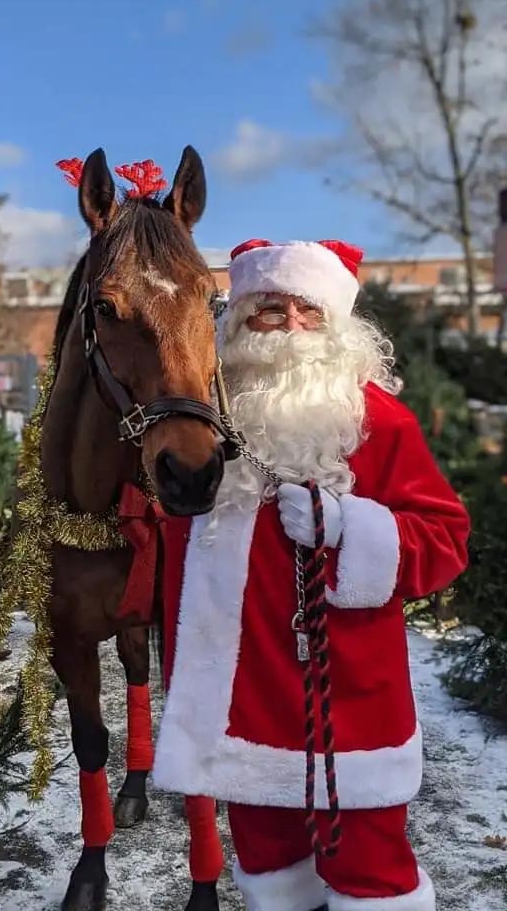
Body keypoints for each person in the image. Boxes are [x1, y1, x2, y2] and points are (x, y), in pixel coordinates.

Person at [152, 238, 470, 911]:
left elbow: (444, 539)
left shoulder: (376, 419)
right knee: (270, 866)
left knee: (370, 870)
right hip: (237, 698)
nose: (291, 326)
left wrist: (351, 528)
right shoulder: (203, 423)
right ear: (239, 320)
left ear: (338, 325)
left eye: (309, 310)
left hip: (346, 698)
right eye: (270, 309)